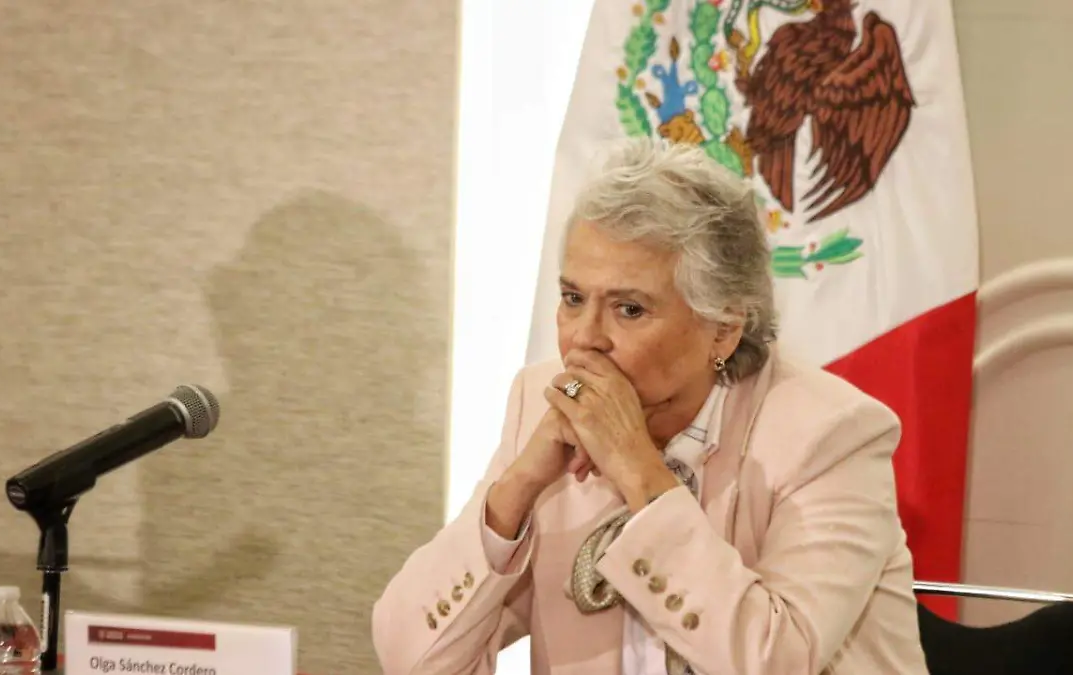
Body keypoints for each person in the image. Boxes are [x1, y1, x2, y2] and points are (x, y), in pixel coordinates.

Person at [371, 138, 928, 674]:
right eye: (573, 299)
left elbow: (774, 661)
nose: (584, 338)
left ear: (723, 328)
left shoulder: (832, 435)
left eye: (630, 309)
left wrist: (636, 468)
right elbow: (410, 659)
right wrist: (516, 488)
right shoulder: (542, 407)